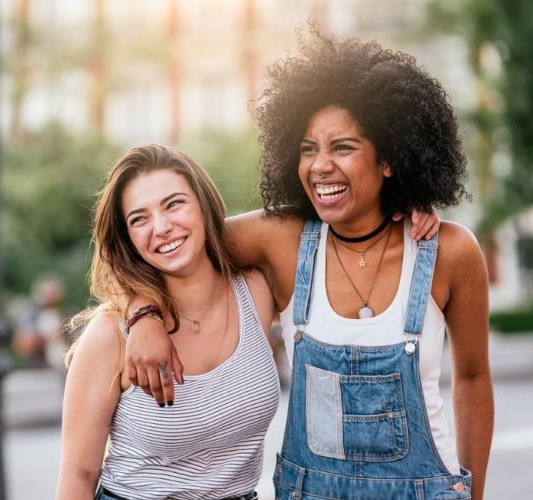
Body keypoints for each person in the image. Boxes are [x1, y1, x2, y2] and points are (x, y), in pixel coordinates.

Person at [125, 31, 493, 500]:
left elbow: (473, 377)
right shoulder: (281, 240)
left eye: (342, 147)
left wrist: (473, 491)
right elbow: (170, 245)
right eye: (307, 149)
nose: (320, 166)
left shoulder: (450, 251)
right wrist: (142, 314)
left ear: (389, 159)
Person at [56, 144, 281, 499]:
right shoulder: (110, 335)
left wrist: (402, 202)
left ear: (203, 206)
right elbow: (78, 475)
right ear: (128, 238)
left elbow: (318, 226)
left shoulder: (257, 291)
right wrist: (142, 314)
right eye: (139, 219)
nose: (161, 227)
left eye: (174, 203)